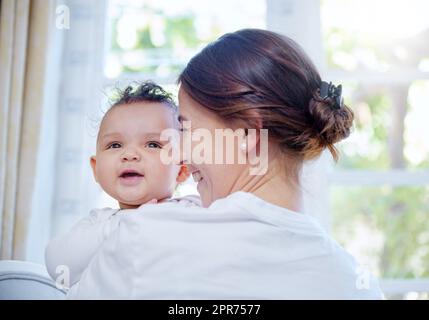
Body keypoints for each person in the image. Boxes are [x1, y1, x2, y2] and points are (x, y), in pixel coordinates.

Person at [64, 29, 384, 299]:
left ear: (248, 133)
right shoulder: (357, 286)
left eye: (187, 129)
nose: (181, 152)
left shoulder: (143, 238)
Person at [45, 82, 198, 291]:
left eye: (153, 144)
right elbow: (59, 268)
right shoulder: (100, 223)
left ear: (182, 169)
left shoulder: (191, 211)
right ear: (96, 168)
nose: (130, 154)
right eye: (115, 145)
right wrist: (125, 223)